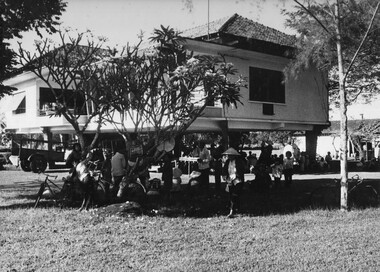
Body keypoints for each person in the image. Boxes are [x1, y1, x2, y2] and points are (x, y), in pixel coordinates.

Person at [222, 147, 245, 218]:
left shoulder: (239, 162)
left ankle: (235, 209)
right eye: (228, 155)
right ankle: (231, 209)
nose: (229, 156)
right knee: (230, 195)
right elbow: (224, 171)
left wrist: (236, 178)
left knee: (235, 195)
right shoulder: (227, 162)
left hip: (237, 180)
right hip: (230, 180)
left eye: (230, 155)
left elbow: (241, 171)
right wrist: (226, 178)